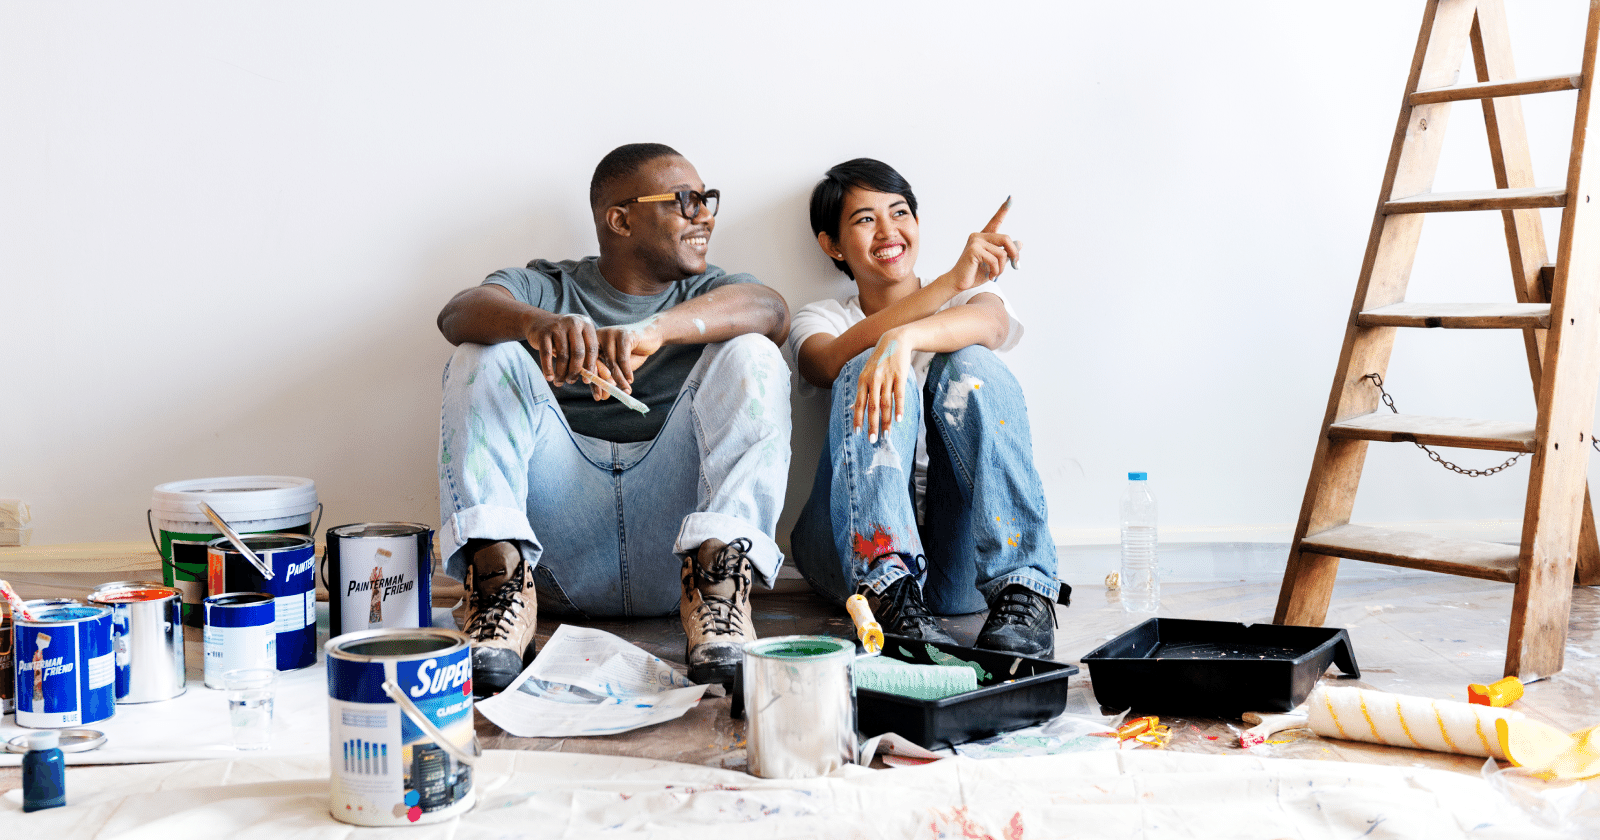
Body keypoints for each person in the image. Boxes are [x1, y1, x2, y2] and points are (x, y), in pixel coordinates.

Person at [436, 143, 792, 694]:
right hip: (557, 553)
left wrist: (658, 331)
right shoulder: (549, 284)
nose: (704, 214)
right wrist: (537, 325)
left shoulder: (710, 291)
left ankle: (722, 599)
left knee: (755, 353)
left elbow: (772, 312)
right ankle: (499, 592)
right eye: (683, 200)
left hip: (675, 556)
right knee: (481, 353)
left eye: (706, 199)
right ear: (620, 219)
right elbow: (457, 313)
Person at [787, 158, 1064, 658]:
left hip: (956, 563)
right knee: (860, 364)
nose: (888, 230)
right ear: (832, 245)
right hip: (847, 555)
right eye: (865, 219)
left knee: (972, 362)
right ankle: (888, 590)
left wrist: (906, 337)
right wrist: (939, 292)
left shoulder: (973, 296)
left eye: (900, 213)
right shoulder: (822, 316)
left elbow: (993, 327)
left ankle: (1024, 588)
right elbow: (826, 363)